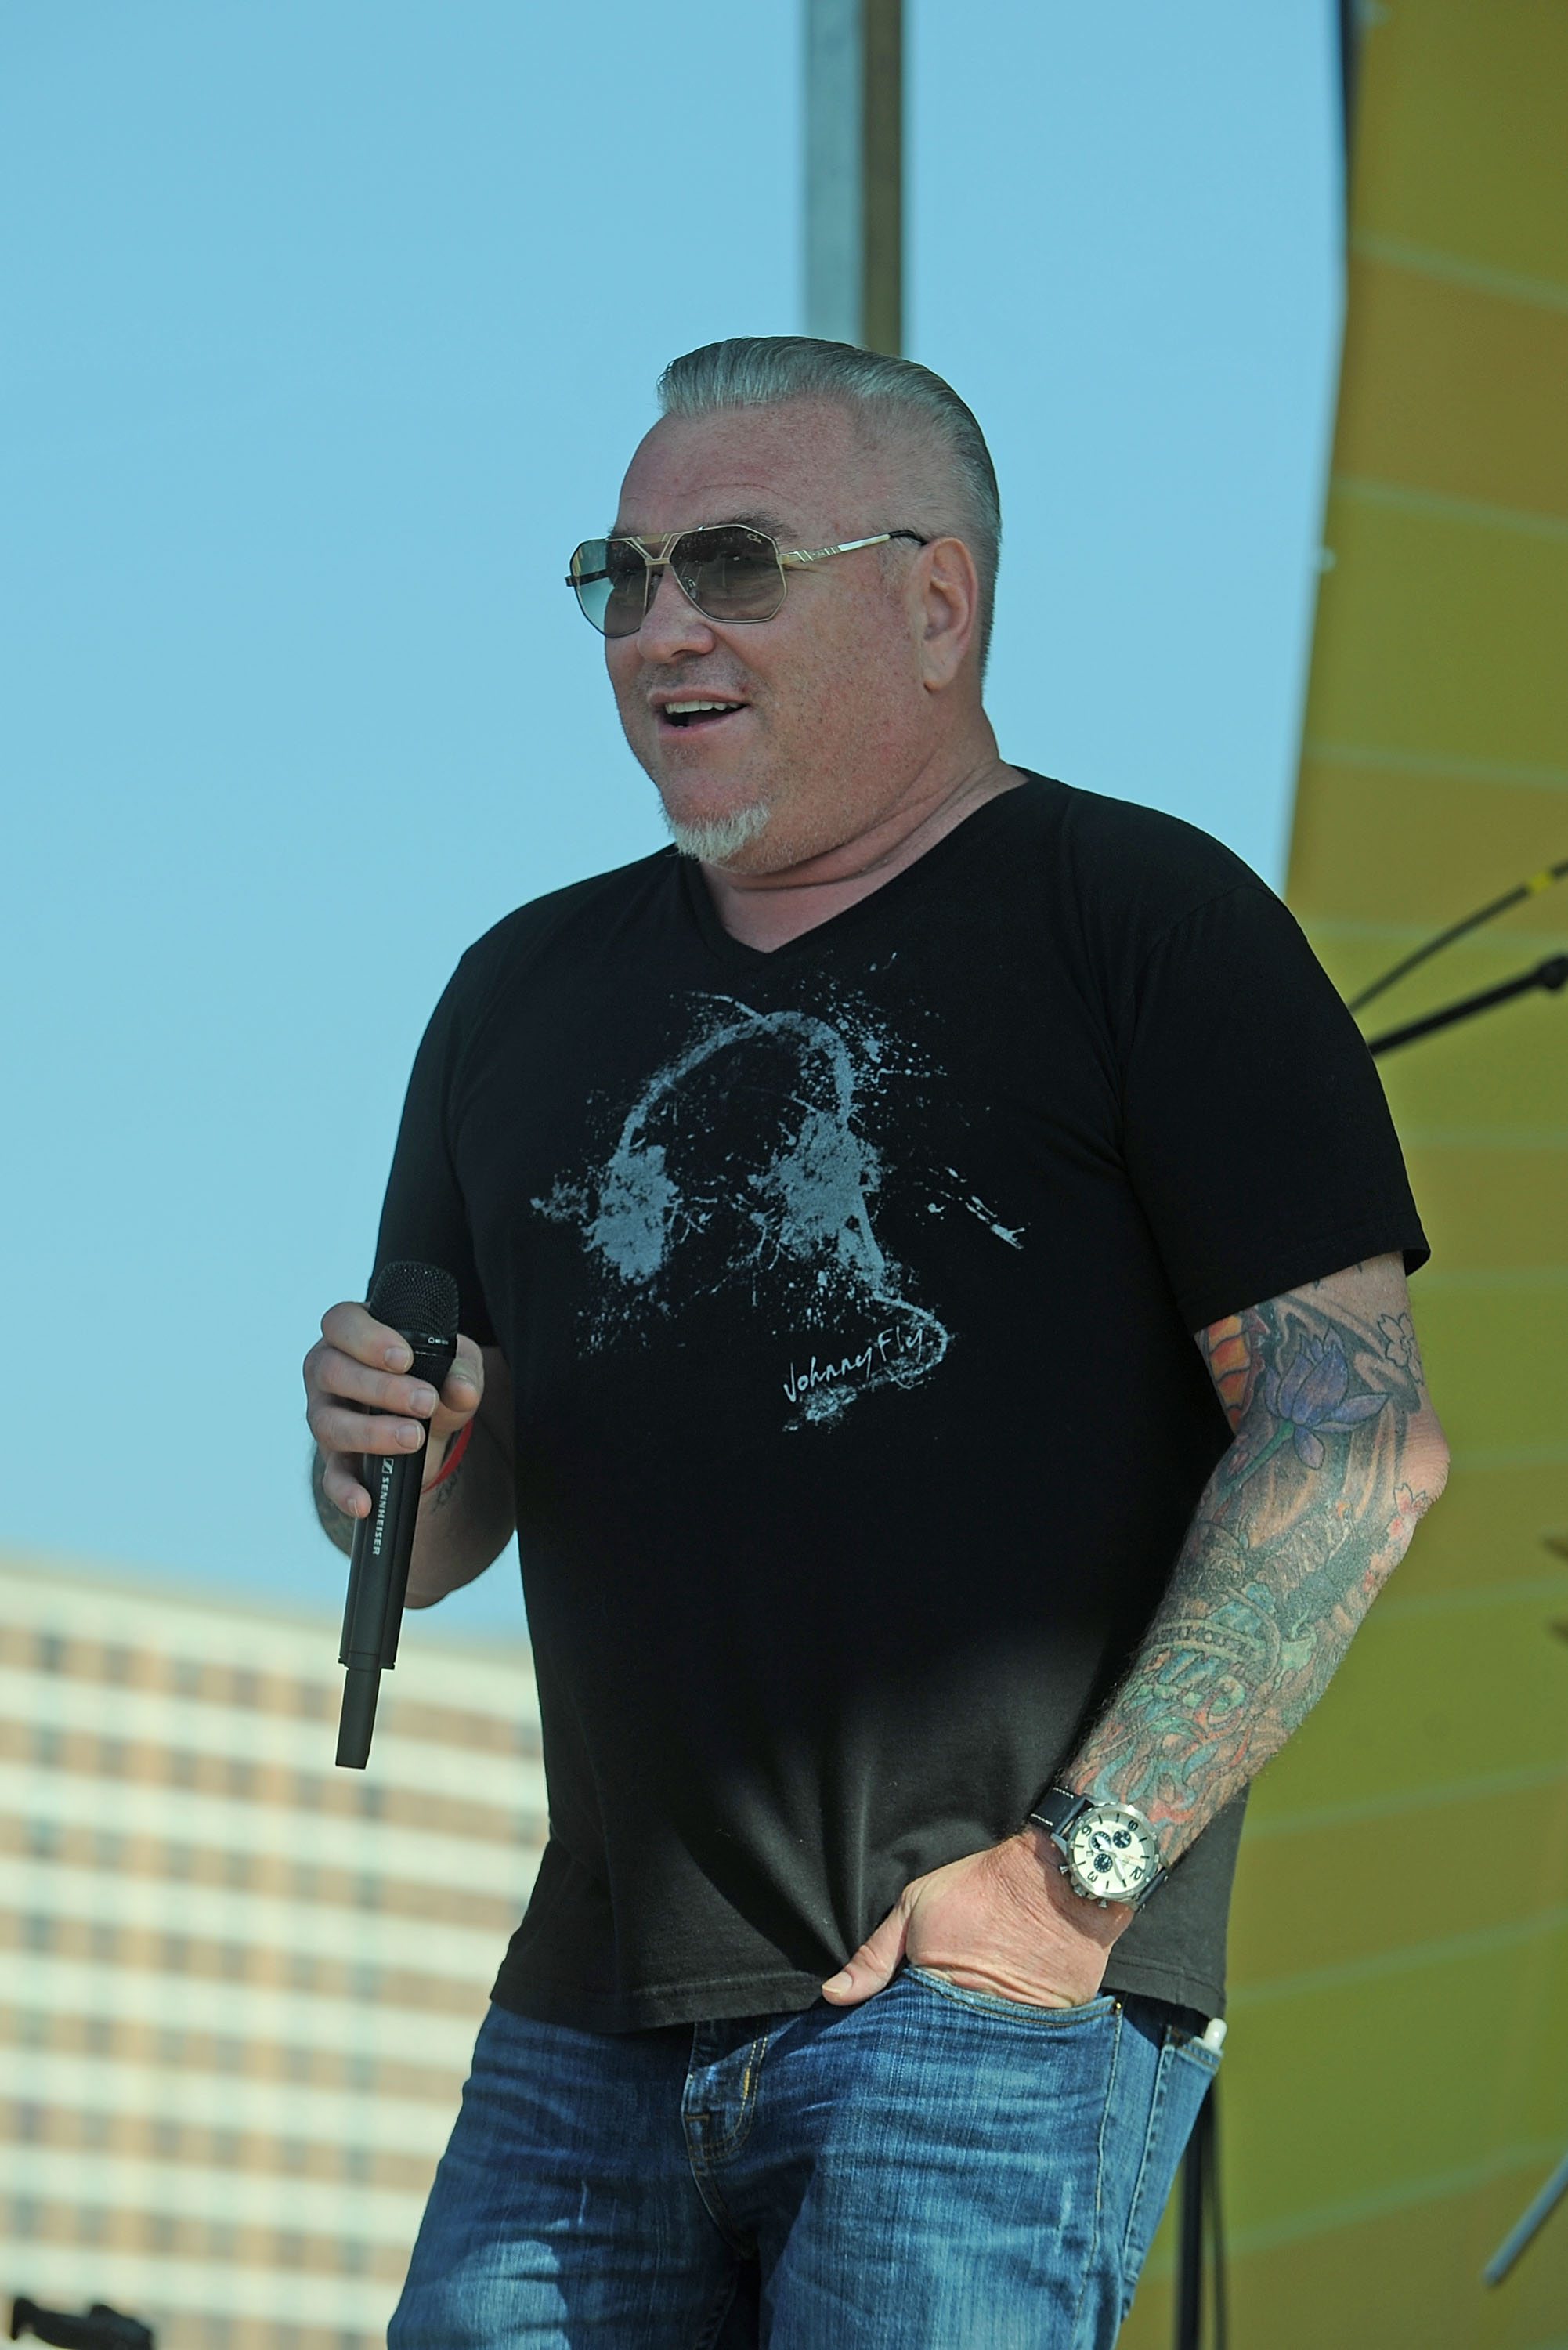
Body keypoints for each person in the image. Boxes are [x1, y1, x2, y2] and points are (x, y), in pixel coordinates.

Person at [303, 338, 1447, 2348]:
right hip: (585, 2014)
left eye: (732, 564)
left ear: (935, 601)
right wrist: (391, 1458)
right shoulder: (517, 991)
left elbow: (1353, 1448)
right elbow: (448, 1515)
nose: (659, 625)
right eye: (620, 574)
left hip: (974, 2020)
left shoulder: (1144, 921)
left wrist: (1067, 1889)